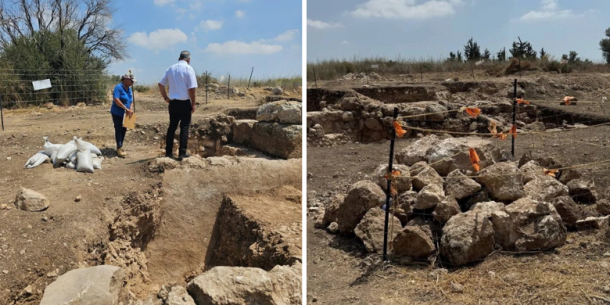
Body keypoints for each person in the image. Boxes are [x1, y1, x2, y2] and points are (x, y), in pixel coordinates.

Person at [158, 50, 198, 161]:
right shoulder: (189, 69)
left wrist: (166, 98)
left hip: (173, 103)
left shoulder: (170, 68)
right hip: (184, 103)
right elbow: (191, 88)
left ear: (179, 58)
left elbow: (161, 84)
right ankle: (182, 153)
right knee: (184, 128)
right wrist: (193, 103)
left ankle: (168, 152)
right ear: (188, 59)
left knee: (172, 127)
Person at [110, 74, 136, 158]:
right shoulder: (118, 87)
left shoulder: (129, 89)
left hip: (127, 113)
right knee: (118, 129)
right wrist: (125, 108)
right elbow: (116, 99)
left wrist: (131, 109)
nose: (132, 83)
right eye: (131, 81)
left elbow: (131, 100)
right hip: (117, 112)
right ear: (126, 80)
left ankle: (121, 146)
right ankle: (119, 148)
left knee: (124, 129)